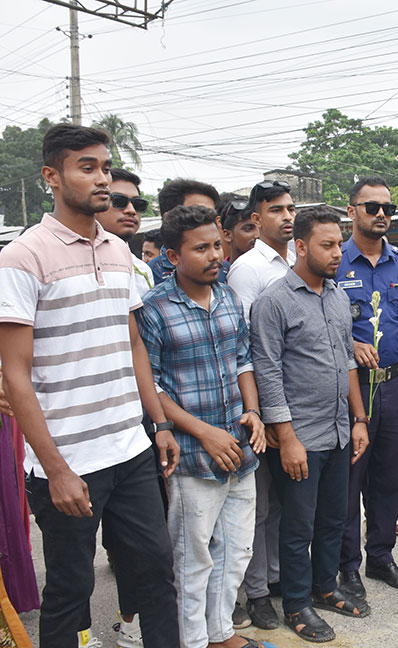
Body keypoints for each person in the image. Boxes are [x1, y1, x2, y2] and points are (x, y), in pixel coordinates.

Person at [0, 123, 180, 648]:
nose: (102, 179)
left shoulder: (120, 251)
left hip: (130, 449)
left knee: (155, 574)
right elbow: (14, 372)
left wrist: (159, 424)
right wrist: (55, 470)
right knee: (71, 590)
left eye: (105, 167)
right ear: (51, 177)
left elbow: (134, 346)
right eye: (88, 167)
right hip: (68, 461)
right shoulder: (22, 257)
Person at [136, 204, 272, 648]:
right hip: (194, 457)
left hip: (241, 448)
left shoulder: (229, 296)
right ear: (173, 257)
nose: (215, 255)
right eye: (202, 248)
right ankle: (192, 641)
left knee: (235, 553)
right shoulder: (154, 308)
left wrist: (252, 411)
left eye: (217, 244)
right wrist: (202, 431)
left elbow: (243, 360)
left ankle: (220, 634)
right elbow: (150, 385)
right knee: (193, 558)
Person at [250, 207, 371, 642]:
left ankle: (325, 588)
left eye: (339, 243)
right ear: (300, 247)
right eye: (327, 245)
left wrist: (359, 419)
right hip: (300, 437)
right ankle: (297, 605)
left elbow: (348, 364)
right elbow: (267, 374)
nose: (338, 252)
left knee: (333, 519)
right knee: (297, 525)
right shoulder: (274, 302)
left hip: (339, 430)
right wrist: (287, 439)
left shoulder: (337, 296)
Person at [335, 176, 398, 596]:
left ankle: (381, 557)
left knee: (390, 477)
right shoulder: (333, 261)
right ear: (351, 210)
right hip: (348, 388)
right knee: (348, 479)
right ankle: (347, 566)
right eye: (371, 207)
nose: (380, 215)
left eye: (387, 209)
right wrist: (351, 342)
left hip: (394, 384)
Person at [227, 179, 296, 629]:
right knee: (260, 504)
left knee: (287, 504)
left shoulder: (302, 258)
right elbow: (249, 348)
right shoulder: (248, 269)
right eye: (276, 210)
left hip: (301, 403)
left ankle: (276, 579)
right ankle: (256, 593)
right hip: (266, 404)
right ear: (256, 218)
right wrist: (266, 413)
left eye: (291, 208)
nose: (287, 216)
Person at [94, 166, 157, 647]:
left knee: (142, 545)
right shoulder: (35, 252)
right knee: (76, 558)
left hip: (138, 420)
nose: (130, 209)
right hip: (80, 430)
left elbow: (140, 348)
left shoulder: (136, 265)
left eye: (135, 201)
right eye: (119, 200)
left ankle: (133, 622)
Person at [146, 178, 221, 284]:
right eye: (196, 213)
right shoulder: (149, 274)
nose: (206, 221)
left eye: (211, 215)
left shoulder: (224, 270)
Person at [96, 168, 153, 297]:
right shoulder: (73, 263)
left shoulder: (142, 271)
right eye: (119, 201)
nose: (131, 210)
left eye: (138, 204)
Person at [218, 192, 258, 265]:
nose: (257, 235)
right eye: (248, 229)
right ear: (227, 235)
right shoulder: (218, 274)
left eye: (260, 228)